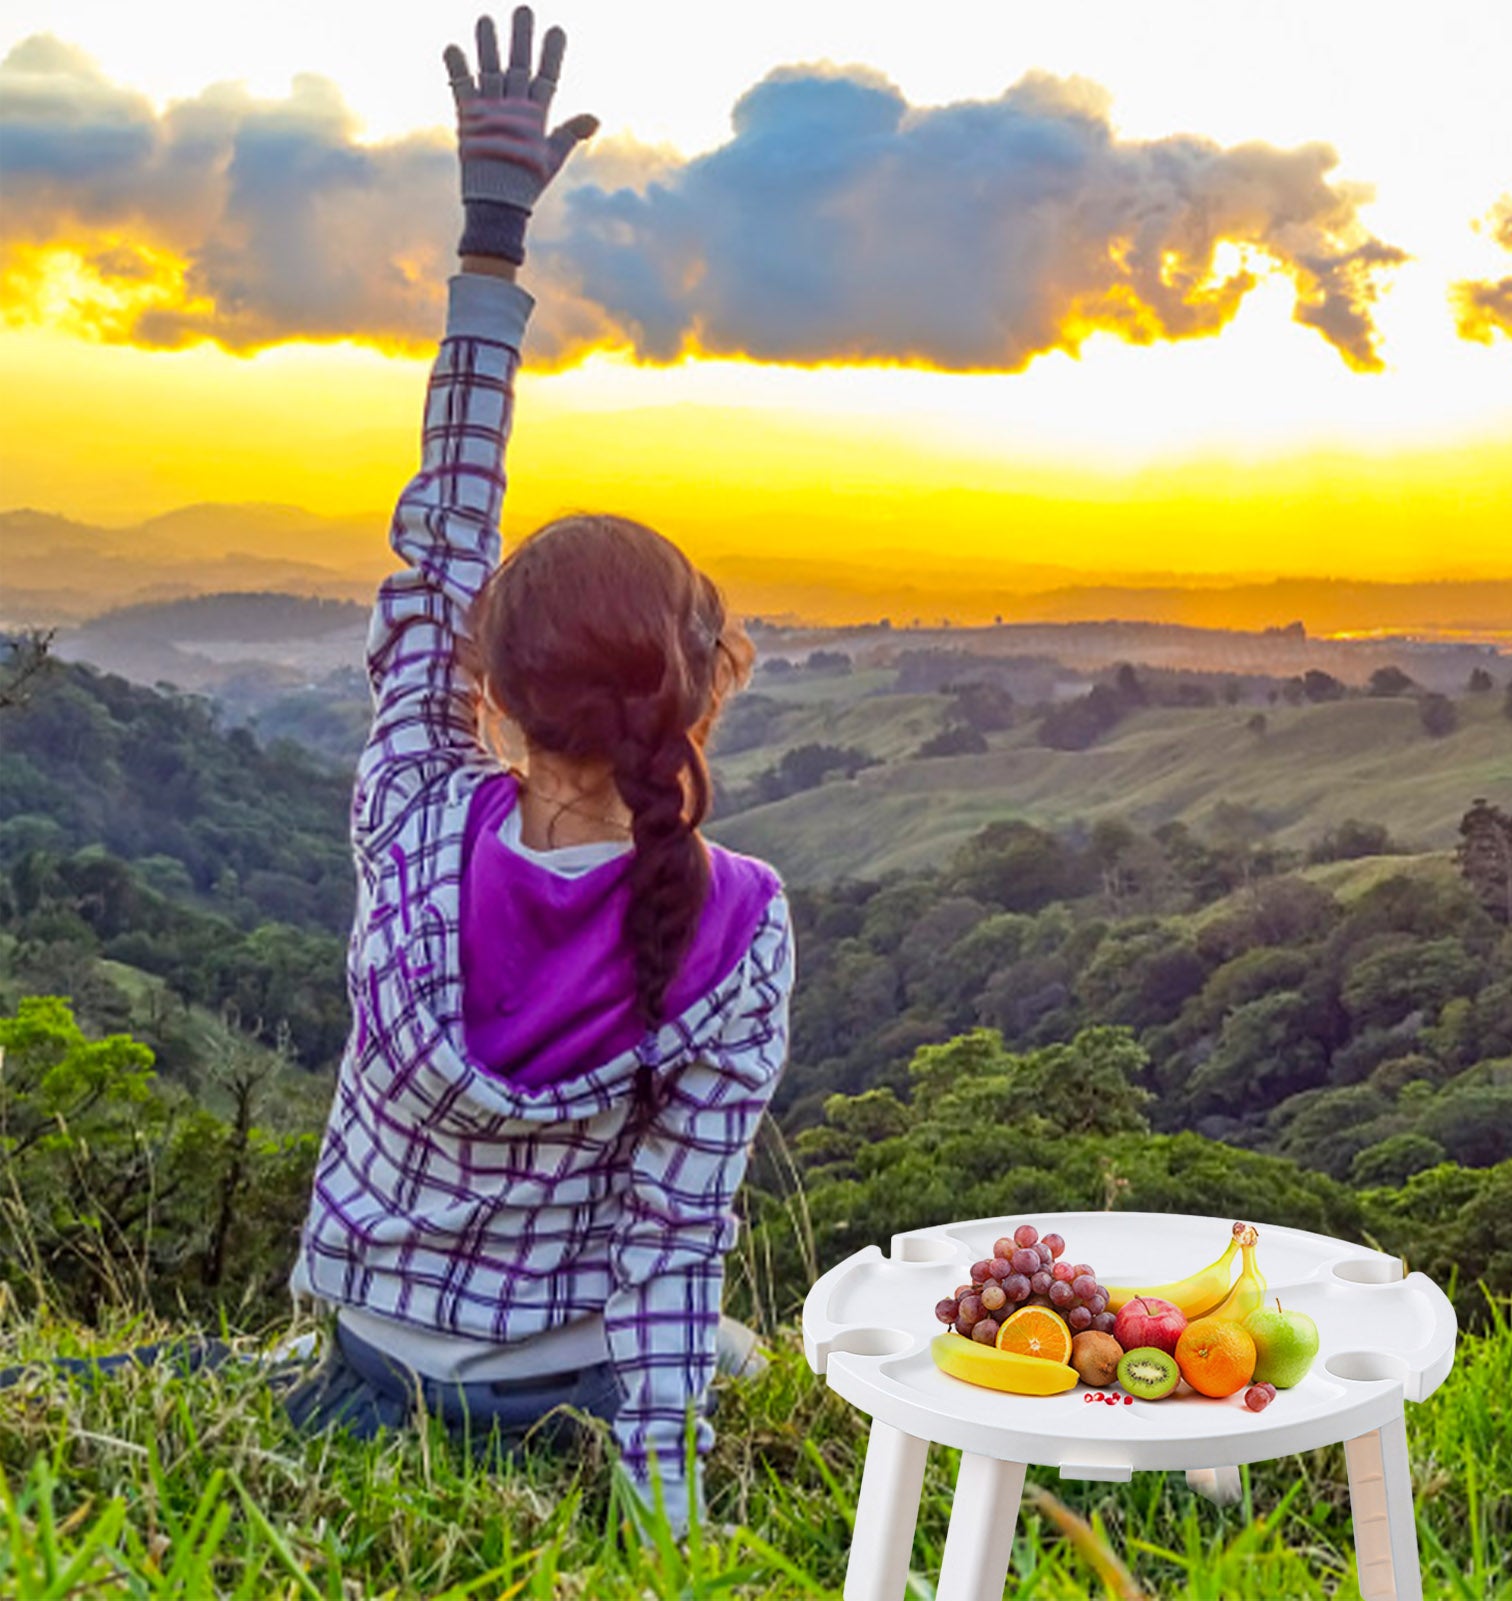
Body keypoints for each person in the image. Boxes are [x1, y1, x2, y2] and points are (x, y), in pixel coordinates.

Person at [273, 4, 796, 1538]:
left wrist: (491, 235)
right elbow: (673, 1243)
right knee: (737, 1343)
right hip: (551, 1384)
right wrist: (662, 1518)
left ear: (487, 695)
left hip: (371, 1361)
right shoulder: (738, 925)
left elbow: (443, 531)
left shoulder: (410, 806)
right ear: (699, 687)